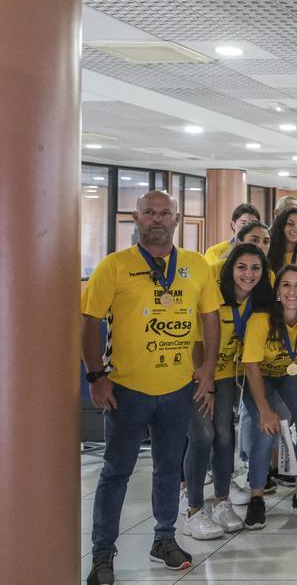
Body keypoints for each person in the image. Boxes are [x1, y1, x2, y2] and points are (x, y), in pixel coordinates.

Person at [83, 191, 221, 584]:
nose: (157, 220)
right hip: (127, 390)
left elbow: (209, 318)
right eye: (149, 213)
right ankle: (103, 553)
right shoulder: (115, 266)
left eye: (165, 213)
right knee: (116, 472)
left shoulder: (195, 266)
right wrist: (96, 376)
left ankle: (164, 538)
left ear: (177, 219)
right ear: (135, 217)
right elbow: (90, 321)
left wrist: (208, 369)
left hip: (178, 389)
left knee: (167, 469)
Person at [181, 243, 273, 540]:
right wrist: (203, 380)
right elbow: (196, 341)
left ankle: (221, 502)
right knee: (202, 436)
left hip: (227, 376)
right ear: (230, 268)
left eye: (255, 268)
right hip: (196, 374)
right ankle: (193, 508)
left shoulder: (259, 301)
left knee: (224, 435)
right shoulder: (213, 295)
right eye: (242, 267)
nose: (248, 274)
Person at [240, 265, 297, 527]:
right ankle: (257, 497)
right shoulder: (261, 319)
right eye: (286, 285)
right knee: (265, 429)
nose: (292, 291)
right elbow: (252, 367)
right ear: (277, 291)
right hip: (261, 376)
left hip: (293, 374)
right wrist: (265, 409)